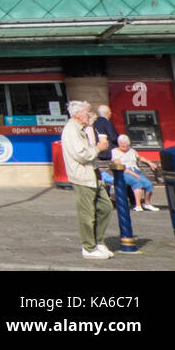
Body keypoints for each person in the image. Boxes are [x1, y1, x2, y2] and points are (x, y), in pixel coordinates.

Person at [62, 99, 113, 260]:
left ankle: (98, 241)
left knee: (106, 207)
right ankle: (89, 247)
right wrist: (98, 148)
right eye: (86, 112)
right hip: (83, 176)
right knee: (87, 213)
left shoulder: (82, 129)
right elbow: (81, 155)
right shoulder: (71, 130)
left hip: (93, 174)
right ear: (77, 114)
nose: (89, 115)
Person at [105, 134, 159, 212]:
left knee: (149, 185)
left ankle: (147, 204)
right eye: (121, 144)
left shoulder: (132, 150)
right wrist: (133, 174)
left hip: (135, 170)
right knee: (137, 183)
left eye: (125, 144)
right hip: (123, 172)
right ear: (119, 143)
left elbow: (139, 157)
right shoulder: (115, 151)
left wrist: (149, 162)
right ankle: (138, 205)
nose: (123, 146)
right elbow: (119, 165)